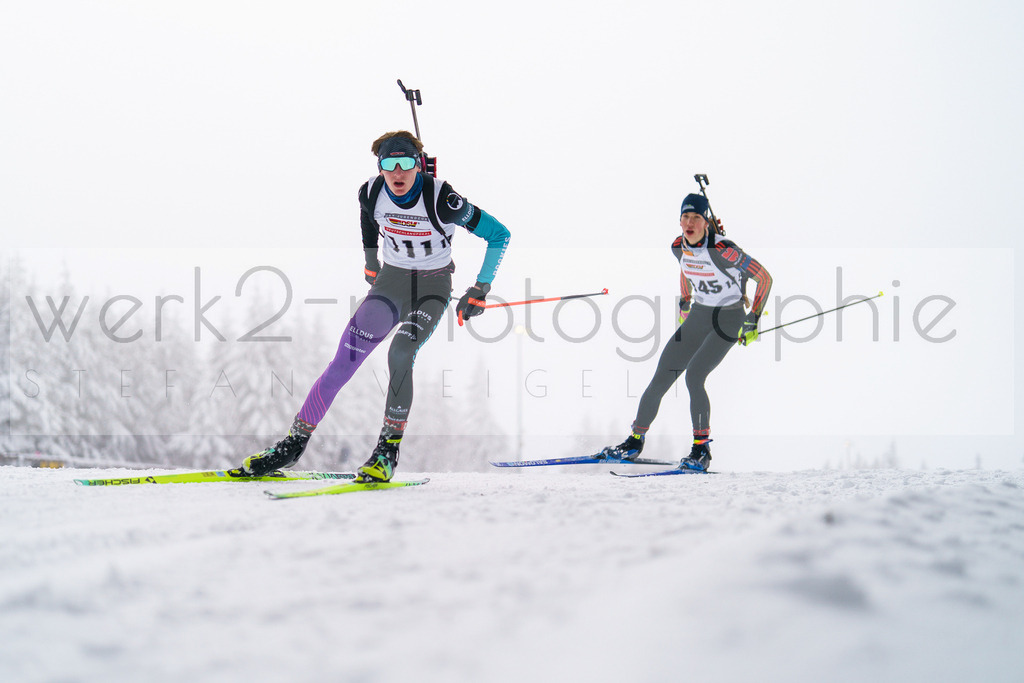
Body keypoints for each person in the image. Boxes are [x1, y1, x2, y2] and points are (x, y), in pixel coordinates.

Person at [242, 131, 510, 482]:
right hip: (391, 284)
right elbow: (368, 223)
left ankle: (387, 452)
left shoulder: (442, 198)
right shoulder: (371, 192)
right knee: (344, 361)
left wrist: (481, 287)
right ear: (379, 167)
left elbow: (499, 234)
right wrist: (372, 264)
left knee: (400, 352)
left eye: (405, 164)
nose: (397, 173)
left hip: (432, 286)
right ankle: (293, 445)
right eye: (389, 164)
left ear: (418, 164)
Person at [600, 192, 771, 471]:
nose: (690, 222)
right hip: (700, 315)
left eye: (696, 218)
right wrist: (684, 302)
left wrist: (753, 318)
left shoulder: (724, 250)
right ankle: (634, 440)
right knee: (662, 375)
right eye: (685, 217)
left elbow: (763, 276)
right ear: (679, 221)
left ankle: (701, 450)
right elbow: (685, 269)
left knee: (695, 375)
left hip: (728, 319)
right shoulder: (678, 246)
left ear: (705, 223)